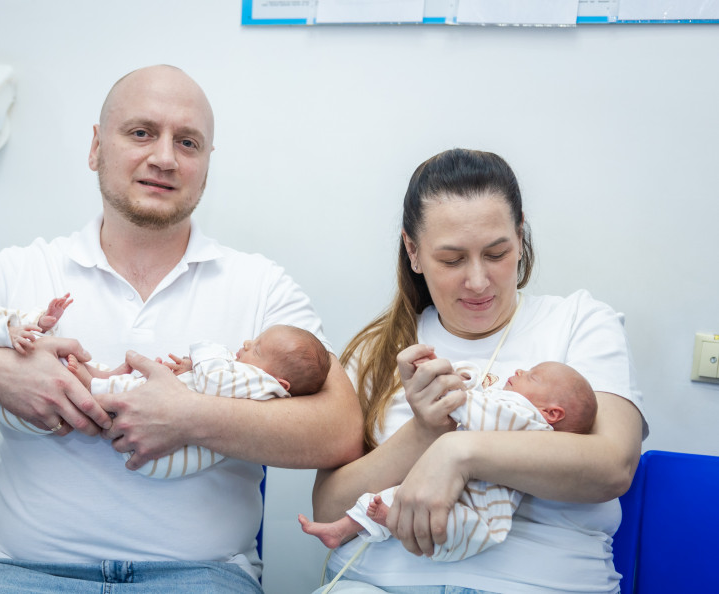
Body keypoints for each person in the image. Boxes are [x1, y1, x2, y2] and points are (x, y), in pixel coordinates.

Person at [0, 65, 363, 593]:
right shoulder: (18, 271)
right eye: (141, 133)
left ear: (205, 165)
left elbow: (340, 431)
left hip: (201, 577)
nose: (164, 157)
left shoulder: (261, 286)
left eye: (187, 142)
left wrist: (189, 416)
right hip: (15, 573)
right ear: (95, 148)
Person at [310, 148, 646, 593]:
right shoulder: (378, 350)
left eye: (496, 253)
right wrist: (424, 432)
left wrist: (458, 452)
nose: (477, 281)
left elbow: (613, 466)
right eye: (451, 260)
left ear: (520, 236)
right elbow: (328, 510)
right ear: (413, 251)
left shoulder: (579, 322)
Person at [299, 359, 597, 563]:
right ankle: (344, 527)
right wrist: (458, 379)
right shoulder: (511, 409)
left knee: (452, 524)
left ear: (552, 413)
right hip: (454, 492)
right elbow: (481, 400)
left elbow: (475, 408)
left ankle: (384, 520)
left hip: (479, 510)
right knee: (398, 496)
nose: (520, 370)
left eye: (532, 376)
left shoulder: (527, 418)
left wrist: (445, 393)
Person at [64, 324, 331, 478]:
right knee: (140, 388)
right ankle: (96, 379)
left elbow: (213, 381)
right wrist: (190, 370)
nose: (248, 343)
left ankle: (92, 385)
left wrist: (207, 352)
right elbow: (210, 386)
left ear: (281, 383)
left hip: (163, 458)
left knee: (134, 392)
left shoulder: (265, 384)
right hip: (161, 457)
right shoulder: (254, 383)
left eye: (258, 349)